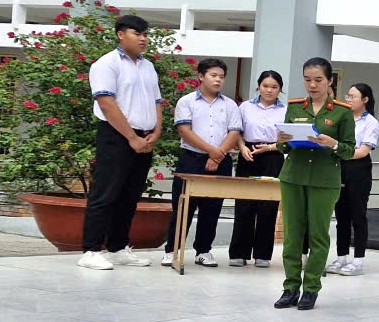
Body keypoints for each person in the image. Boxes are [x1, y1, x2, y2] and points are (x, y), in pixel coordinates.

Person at [78, 15, 161, 270]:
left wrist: (156, 131)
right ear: (120, 34)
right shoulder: (106, 64)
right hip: (116, 136)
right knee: (105, 193)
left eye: (145, 34)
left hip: (145, 137)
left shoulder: (148, 66)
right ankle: (91, 250)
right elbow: (106, 104)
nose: (143, 38)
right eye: (137, 33)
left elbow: (157, 101)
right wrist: (131, 138)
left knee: (130, 195)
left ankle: (117, 247)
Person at [273, 57, 355, 311]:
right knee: (292, 235)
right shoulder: (295, 107)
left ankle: (311, 289)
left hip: (324, 179)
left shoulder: (342, 111)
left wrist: (333, 144)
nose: (312, 85)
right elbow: (283, 147)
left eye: (318, 80)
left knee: (318, 235)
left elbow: (349, 150)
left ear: (330, 81)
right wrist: (282, 140)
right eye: (308, 80)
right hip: (293, 176)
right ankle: (290, 287)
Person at [162, 59, 242, 268]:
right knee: (183, 207)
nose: (218, 80)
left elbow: (234, 132)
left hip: (221, 161)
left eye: (221, 77)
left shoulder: (230, 105)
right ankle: (172, 250)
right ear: (201, 76)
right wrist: (211, 152)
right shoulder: (187, 101)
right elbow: (185, 131)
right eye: (213, 75)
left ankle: (204, 251)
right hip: (192, 159)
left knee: (212, 208)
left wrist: (217, 156)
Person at [228, 70, 286, 268]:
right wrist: (242, 147)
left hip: (273, 155)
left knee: (268, 206)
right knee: (244, 204)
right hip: (248, 154)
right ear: (258, 86)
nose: (269, 90)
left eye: (274, 87)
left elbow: (289, 139)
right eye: (265, 86)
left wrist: (270, 147)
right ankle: (239, 252)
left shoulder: (285, 111)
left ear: (280, 89)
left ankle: (263, 254)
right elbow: (236, 131)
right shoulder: (245, 107)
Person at [326, 83, 379, 276]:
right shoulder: (343, 118)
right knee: (341, 215)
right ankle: (341, 257)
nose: (348, 100)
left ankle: (358, 260)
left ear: (365, 99)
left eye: (353, 96)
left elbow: (363, 151)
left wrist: (339, 149)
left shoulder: (371, 123)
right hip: (339, 166)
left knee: (358, 215)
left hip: (358, 169)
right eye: (347, 96)